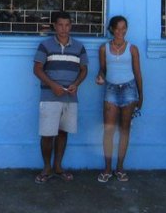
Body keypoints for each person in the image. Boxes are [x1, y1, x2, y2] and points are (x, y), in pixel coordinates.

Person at [33, 11, 88, 184]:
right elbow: (37, 69)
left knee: (63, 133)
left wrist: (76, 84)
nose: (64, 29)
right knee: (48, 134)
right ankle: (46, 168)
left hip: (70, 97)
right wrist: (53, 85)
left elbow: (84, 70)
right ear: (55, 26)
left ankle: (58, 167)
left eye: (67, 25)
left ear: (70, 26)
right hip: (49, 96)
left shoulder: (79, 47)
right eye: (60, 25)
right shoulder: (45, 45)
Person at [94, 15, 143, 183]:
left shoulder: (133, 49)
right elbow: (102, 69)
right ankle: (107, 168)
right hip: (111, 90)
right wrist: (99, 76)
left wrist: (141, 95)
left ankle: (120, 168)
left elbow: (137, 73)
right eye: (118, 28)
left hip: (129, 90)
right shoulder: (103, 49)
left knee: (124, 130)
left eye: (124, 28)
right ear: (112, 29)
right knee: (108, 130)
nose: (121, 31)